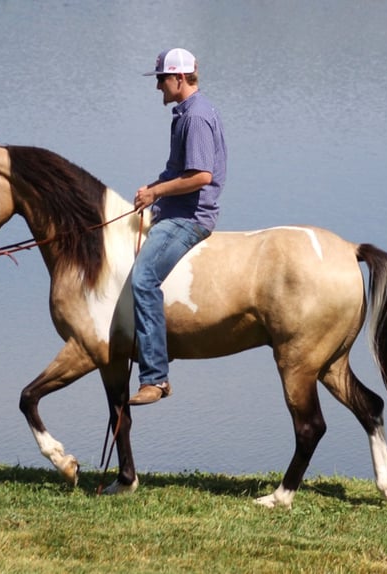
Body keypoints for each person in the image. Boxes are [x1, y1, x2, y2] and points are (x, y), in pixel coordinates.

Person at [128, 48, 227, 406]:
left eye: (160, 79)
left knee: (143, 279)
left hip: (189, 218)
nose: (157, 87)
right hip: (174, 209)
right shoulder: (187, 112)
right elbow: (179, 172)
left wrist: (156, 191)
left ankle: (155, 378)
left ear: (179, 78)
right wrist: (152, 191)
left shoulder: (196, 117)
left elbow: (201, 176)